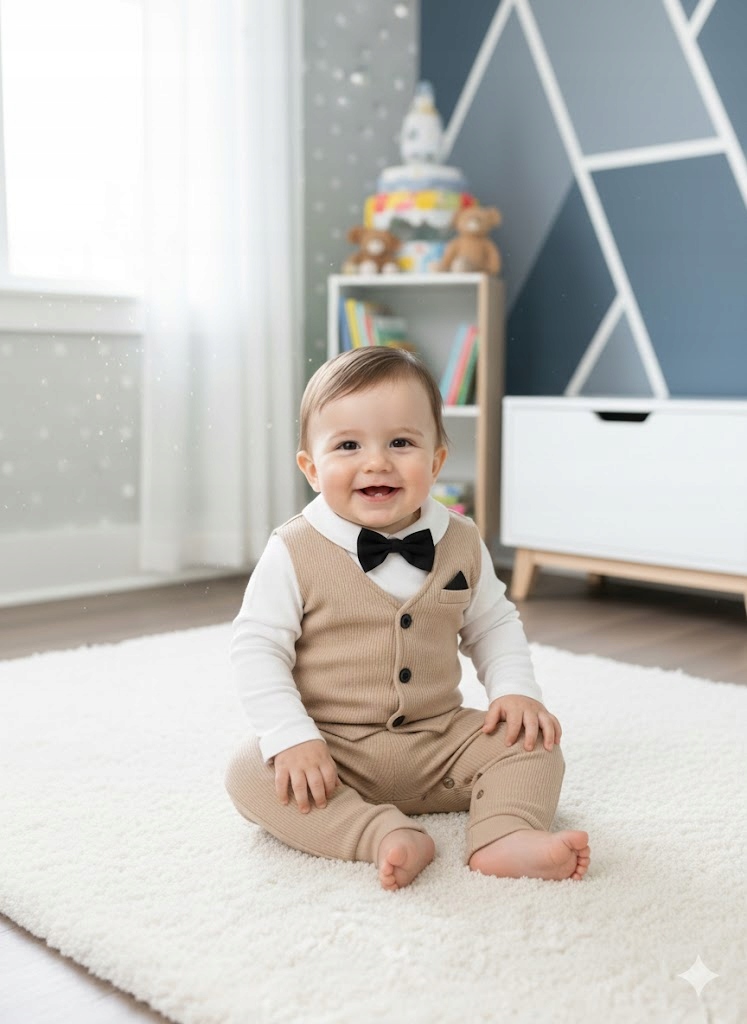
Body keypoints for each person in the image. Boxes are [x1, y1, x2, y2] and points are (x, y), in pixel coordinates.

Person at [225, 347, 590, 890]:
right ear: (312, 468)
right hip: (334, 751)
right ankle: (380, 834)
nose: (376, 462)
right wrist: (291, 736)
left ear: (436, 461)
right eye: (348, 445)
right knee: (249, 772)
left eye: (400, 443)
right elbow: (257, 649)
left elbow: (493, 625)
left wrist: (515, 691)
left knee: (535, 744)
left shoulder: (461, 539)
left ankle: (504, 834)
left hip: (439, 741)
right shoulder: (293, 549)